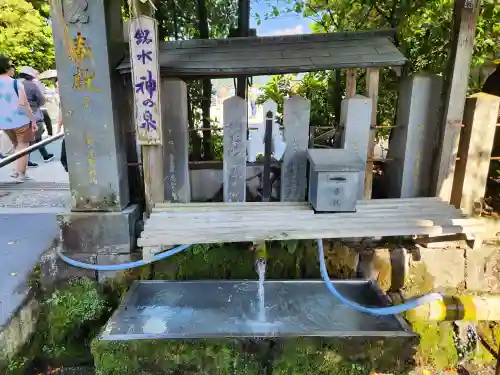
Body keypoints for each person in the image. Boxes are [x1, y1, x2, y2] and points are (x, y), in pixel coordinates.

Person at [0, 55, 38, 181]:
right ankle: (18, 172)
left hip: (4, 123)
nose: (14, 68)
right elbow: (24, 104)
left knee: (18, 145)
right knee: (23, 146)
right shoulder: (16, 83)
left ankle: (22, 172)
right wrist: (33, 120)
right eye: (12, 66)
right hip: (21, 121)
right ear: (6, 67)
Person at [18, 66, 54, 167]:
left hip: (20, 114)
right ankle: (27, 161)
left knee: (29, 138)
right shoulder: (32, 85)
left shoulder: (16, 84)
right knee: (35, 137)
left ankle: (45, 155)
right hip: (34, 113)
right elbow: (41, 100)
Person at [55, 79, 68, 172]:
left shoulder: (65, 99)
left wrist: (58, 129)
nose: (56, 89)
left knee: (65, 158)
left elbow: (61, 117)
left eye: (58, 87)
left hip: (70, 132)